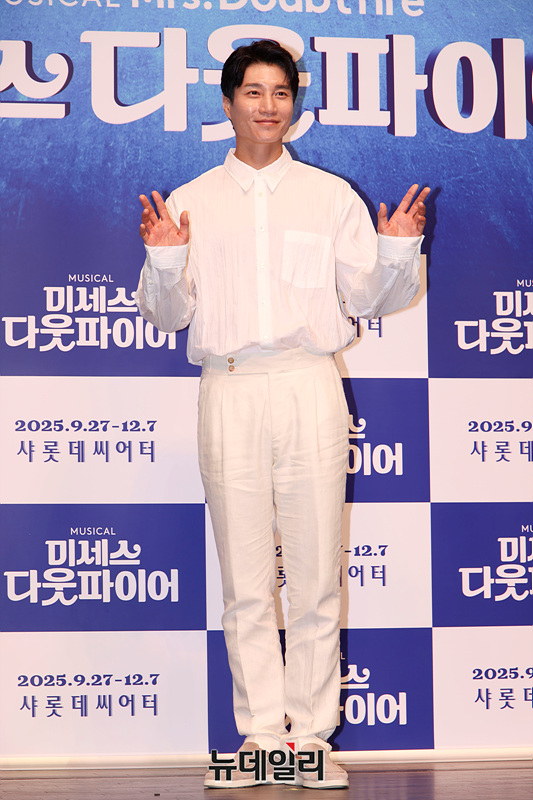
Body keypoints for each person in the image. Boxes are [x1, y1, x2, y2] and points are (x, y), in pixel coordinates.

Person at [135, 39, 429, 790]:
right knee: (244, 580)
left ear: (293, 105)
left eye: (280, 92)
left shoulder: (329, 197)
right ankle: (260, 735)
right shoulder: (190, 200)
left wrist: (399, 253)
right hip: (229, 386)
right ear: (228, 102)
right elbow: (165, 315)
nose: (268, 106)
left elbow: (369, 298)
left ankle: (310, 740)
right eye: (253, 92)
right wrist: (164, 260)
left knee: (315, 575)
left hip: (307, 383)